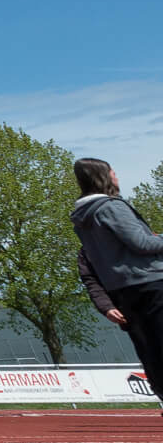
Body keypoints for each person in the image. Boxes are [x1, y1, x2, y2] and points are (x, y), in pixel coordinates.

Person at [71, 158, 163, 420]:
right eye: (113, 171)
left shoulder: (82, 218)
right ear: (104, 176)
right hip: (150, 282)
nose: (117, 175)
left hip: (122, 290)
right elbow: (141, 243)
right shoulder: (111, 207)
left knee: (150, 350)